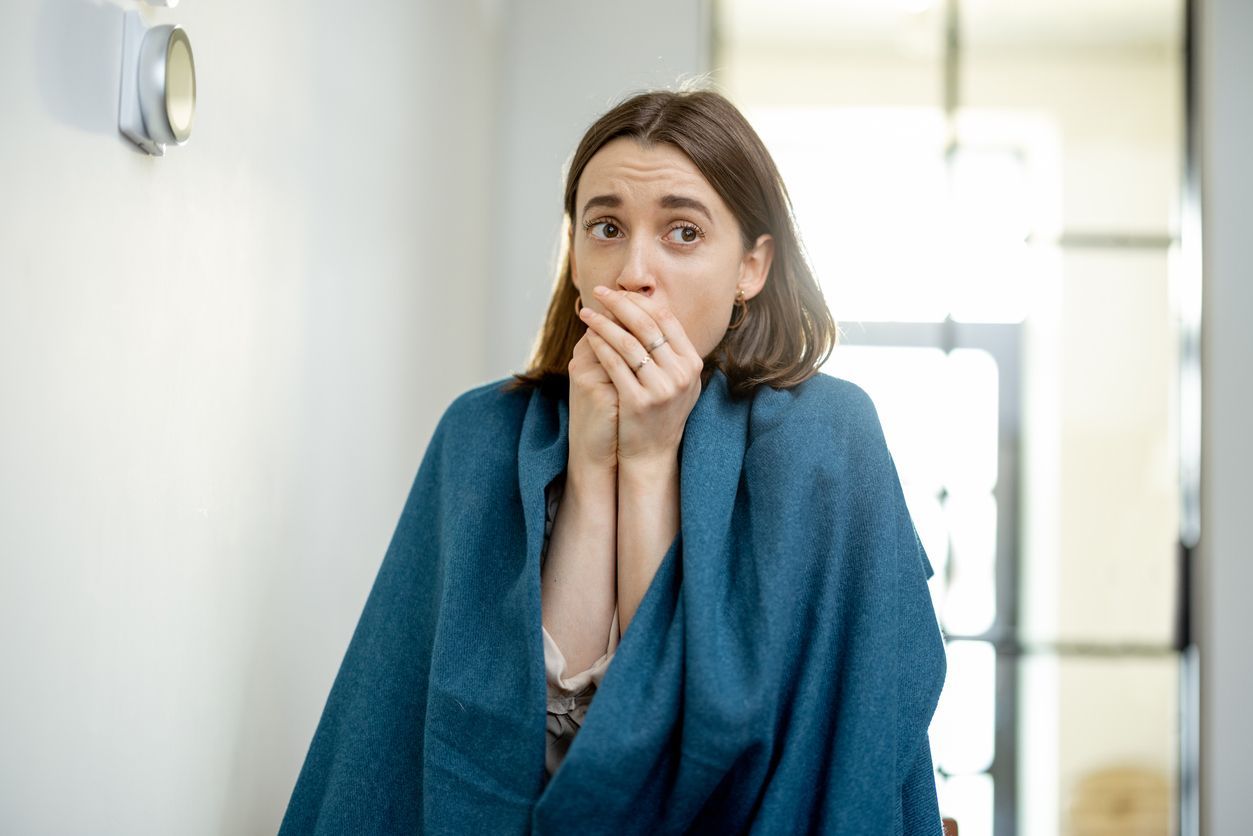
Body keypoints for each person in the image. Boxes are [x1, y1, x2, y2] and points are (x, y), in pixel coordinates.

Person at [279, 87, 947, 835]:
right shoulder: (480, 435)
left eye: (683, 232)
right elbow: (487, 748)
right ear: (573, 256)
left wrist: (654, 459)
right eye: (605, 227)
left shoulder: (829, 438)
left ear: (750, 268)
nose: (634, 271)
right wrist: (596, 470)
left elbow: (716, 748)